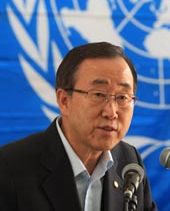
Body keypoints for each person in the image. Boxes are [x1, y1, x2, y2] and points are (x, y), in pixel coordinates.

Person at [0, 42, 157, 211]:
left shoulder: (129, 161)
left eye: (123, 97)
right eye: (98, 94)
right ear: (64, 101)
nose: (111, 112)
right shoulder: (9, 167)